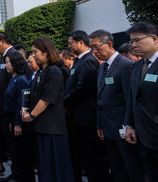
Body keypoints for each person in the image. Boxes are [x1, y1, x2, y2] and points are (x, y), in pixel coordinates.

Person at [90, 29, 146, 182]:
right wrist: (99, 124)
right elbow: (101, 98)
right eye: (91, 48)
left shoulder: (125, 65)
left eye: (96, 47)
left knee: (131, 169)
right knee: (117, 169)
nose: (94, 51)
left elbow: (130, 99)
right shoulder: (102, 67)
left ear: (109, 44)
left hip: (123, 129)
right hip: (107, 128)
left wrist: (129, 125)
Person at [22, 37, 74, 182]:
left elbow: (46, 99)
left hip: (52, 128)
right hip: (42, 127)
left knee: (55, 167)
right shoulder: (41, 72)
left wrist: (31, 116)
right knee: (46, 167)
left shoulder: (54, 72)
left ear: (46, 52)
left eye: (35, 52)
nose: (33, 56)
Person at [65, 30, 110, 182]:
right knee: (78, 157)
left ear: (80, 43)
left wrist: (65, 103)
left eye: (71, 43)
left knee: (93, 161)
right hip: (76, 119)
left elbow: (82, 89)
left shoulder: (89, 61)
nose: (69, 46)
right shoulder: (78, 61)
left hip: (86, 120)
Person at [125, 22, 158, 181]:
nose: (134, 45)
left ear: (154, 39)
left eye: (137, 40)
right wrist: (129, 124)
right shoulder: (138, 66)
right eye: (132, 41)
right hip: (143, 136)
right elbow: (132, 97)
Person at [0, 31, 18, 182]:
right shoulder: (3, 58)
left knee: (14, 146)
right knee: (8, 144)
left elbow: (14, 83)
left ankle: (17, 174)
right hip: (2, 109)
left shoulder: (13, 55)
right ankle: (14, 172)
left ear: (2, 41)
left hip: (9, 110)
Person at [4, 50, 35, 182]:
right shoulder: (13, 79)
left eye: (7, 63)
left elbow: (21, 104)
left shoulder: (21, 80)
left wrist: (18, 123)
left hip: (19, 120)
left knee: (22, 154)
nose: (6, 66)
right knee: (15, 152)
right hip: (11, 118)